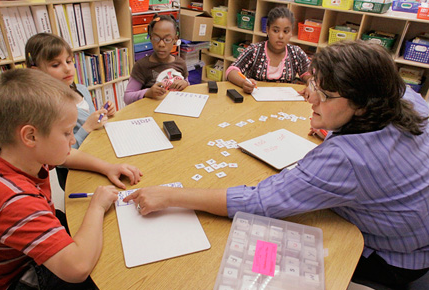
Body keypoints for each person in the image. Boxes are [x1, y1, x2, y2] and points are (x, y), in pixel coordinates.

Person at [124, 40, 429, 289]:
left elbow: (258, 201)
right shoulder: (405, 97)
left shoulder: (346, 158)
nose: (311, 99)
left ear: (362, 104)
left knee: (264, 251)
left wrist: (171, 195)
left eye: (324, 94)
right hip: (417, 236)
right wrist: (332, 123)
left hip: (395, 260)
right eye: (314, 85)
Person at [0, 69, 142, 289]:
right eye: (66, 133)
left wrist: (108, 167)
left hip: (15, 244)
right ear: (31, 136)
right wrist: (97, 206)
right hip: (13, 278)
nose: (73, 139)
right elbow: (77, 268)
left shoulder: (11, 152)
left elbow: (67, 155)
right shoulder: (15, 201)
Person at [25, 33, 116, 190]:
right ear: (36, 71)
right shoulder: (46, 109)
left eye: (69, 61)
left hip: (97, 154)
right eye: (55, 65)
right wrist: (87, 127)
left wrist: (103, 113)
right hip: (74, 171)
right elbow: (60, 158)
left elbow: (90, 119)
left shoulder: (80, 89)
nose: (67, 68)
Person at [226, 7, 312, 94]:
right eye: (275, 30)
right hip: (255, 102)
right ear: (267, 30)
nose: (281, 36)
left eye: (286, 31)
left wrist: (311, 84)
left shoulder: (296, 53)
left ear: (291, 33)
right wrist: (243, 82)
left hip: (284, 102)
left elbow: (309, 75)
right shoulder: (254, 50)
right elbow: (231, 71)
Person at [123, 14, 189, 105]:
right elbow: (127, 97)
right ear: (150, 38)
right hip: (150, 113)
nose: (161, 44)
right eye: (156, 38)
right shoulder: (142, 65)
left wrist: (185, 83)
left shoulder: (180, 63)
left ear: (175, 39)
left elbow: (187, 84)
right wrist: (148, 92)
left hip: (175, 108)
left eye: (167, 39)